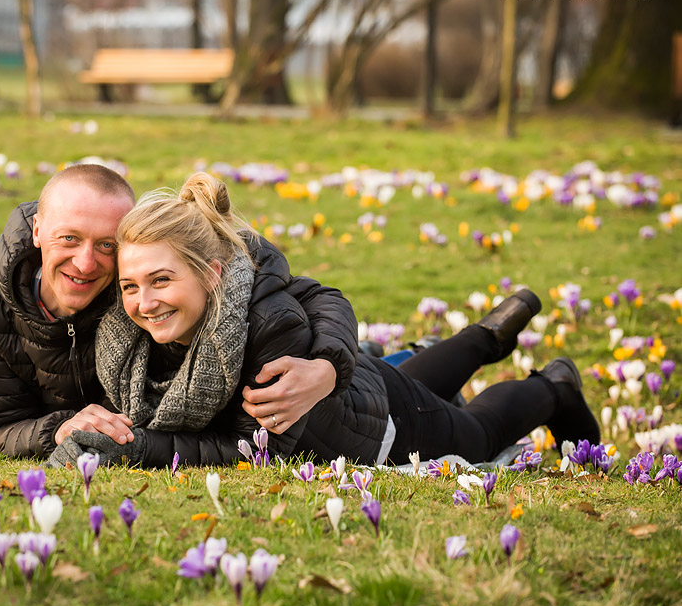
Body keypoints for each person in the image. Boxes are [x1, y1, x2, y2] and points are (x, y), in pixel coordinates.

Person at [47, 173, 600, 468]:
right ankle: (482, 337)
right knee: (418, 377)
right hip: (363, 384)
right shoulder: (130, 337)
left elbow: (250, 447)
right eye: (130, 286)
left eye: (162, 280)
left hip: (383, 426)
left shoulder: (265, 330)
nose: (143, 302)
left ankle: (551, 386)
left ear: (213, 275)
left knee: (477, 434)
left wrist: (139, 447)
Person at [0, 163, 357, 458]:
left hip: (350, 410)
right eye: (69, 239)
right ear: (38, 230)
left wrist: (329, 367)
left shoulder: (137, 274)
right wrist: (58, 429)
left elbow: (301, 295)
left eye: (107, 245)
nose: (87, 263)